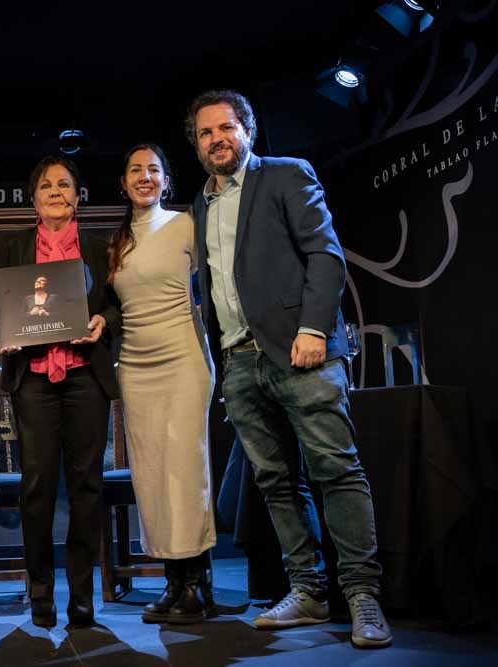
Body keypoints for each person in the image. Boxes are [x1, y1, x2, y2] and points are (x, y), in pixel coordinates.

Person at [186, 89, 391, 648]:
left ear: (247, 130)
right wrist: (223, 361)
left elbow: (324, 254)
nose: (217, 139)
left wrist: (313, 329)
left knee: (336, 471)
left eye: (227, 127)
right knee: (277, 483)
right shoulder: (201, 203)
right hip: (239, 360)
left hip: (301, 351)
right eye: (206, 133)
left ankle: (363, 598)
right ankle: (308, 591)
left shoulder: (285, 174)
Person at [0, 156, 120, 628]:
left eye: (64, 185)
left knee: (87, 486)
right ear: (34, 198)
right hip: (35, 378)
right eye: (46, 186)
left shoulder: (99, 246)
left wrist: (104, 321)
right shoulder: (15, 245)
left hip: (85, 377)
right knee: (37, 487)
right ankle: (41, 593)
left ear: (78, 196)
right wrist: (5, 329)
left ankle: (82, 597)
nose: (56, 192)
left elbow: (116, 304)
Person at [107, 143, 216, 624]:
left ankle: (198, 583)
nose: (145, 177)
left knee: (186, 469)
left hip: (184, 358)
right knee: (151, 476)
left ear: (166, 181)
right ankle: (173, 582)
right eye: (136, 170)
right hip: (135, 366)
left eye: (154, 170)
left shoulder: (188, 224)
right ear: (124, 182)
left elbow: (217, 285)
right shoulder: (116, 241)